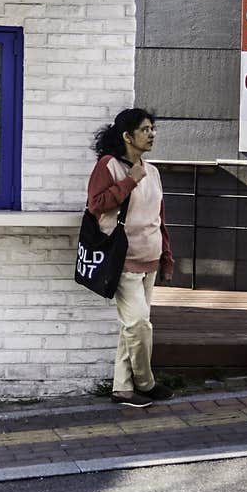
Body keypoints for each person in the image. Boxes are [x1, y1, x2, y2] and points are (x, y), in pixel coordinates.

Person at [88, 108, 175, 408]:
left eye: (153, 128)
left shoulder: (152, 171)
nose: (151, 134)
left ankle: (122, 389)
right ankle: (146, 382)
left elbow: (158, 218)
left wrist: (167, 256)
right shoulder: (108, 166)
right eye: (145, 129)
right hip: (122, 259)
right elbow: (96, 205)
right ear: (127, 136)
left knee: (132, 326)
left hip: (150, 259)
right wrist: (129, 182)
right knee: (138, 324)